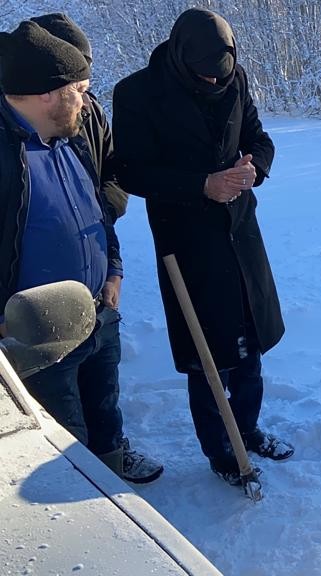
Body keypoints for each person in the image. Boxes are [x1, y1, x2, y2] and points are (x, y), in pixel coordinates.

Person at [112, 8, 293, 486]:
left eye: (223, 72)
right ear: (180, 58)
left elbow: (258, 137)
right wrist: (201, 184)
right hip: (186, 240)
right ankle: (222, 451)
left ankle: (247, 429)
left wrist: (257, 168)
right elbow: (129, 171)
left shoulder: (235, 79)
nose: (216, 80)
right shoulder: (137, 94)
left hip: (239, 229)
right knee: (207, 351)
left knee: (249, 337)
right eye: (206, 74)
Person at [0, 20, 162, 483]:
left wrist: (113, 269)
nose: (88, 101)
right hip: (38, 337)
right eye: (81, 89)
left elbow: (98, 213)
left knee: (105, 410)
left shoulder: (71, 140)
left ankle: (112, 474)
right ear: (49, 93)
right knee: (65, 444)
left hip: (98, 312)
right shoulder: (6, 154)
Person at [29, 13, 128, 223]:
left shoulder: (92, 112)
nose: (83, 98)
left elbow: (116, 172)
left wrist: (103, 210)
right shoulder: (13, 122)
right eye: (74, 82)